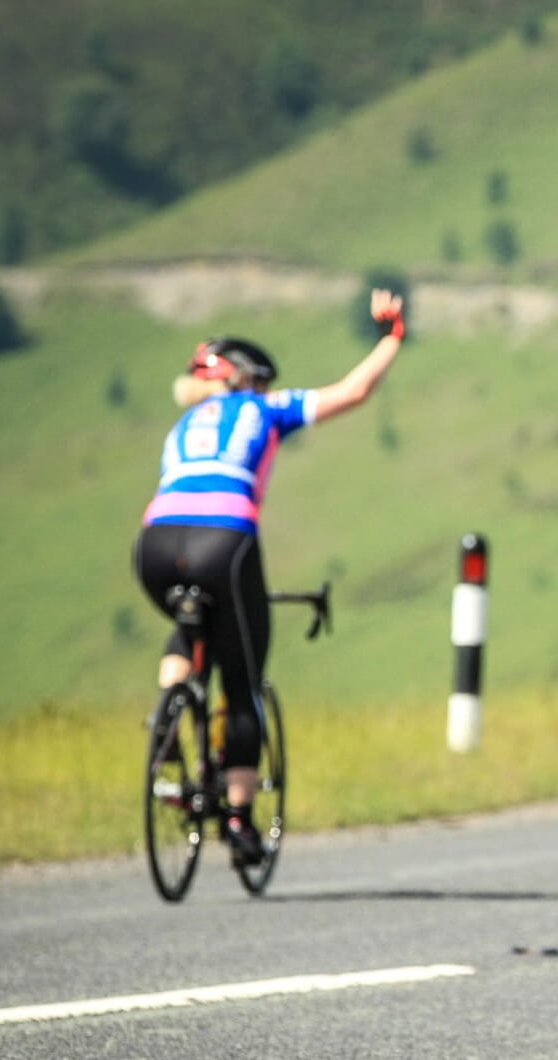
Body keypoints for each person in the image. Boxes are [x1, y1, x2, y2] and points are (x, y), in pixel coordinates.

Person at [133, 291, 407, 865]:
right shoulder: (262, 409)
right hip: (224, 540)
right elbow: (353, 391)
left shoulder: (182, 425)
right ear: (244, 380)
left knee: (190, 623)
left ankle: (168, 712)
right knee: (242, 680)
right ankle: (238, 818)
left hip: (155, 545)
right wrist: (392, 337)